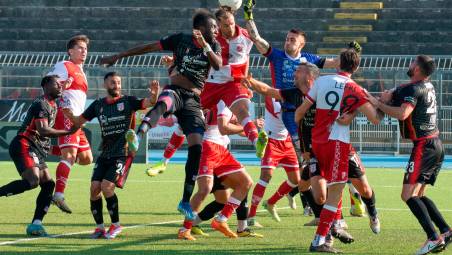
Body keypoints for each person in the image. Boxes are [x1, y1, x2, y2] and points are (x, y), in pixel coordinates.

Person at [100, 9, 222, 220]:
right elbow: (148, 47)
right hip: (175, 91)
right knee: (162, 103)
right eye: (213, 27)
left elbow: (218, 64)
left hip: (193, 100)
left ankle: (185, 200)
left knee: (196, 146)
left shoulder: (214, 46)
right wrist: (119, 56)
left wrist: (206, 46)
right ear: (200, 28)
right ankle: (137, 137)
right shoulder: (181, 40)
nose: (217, 30)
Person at [242, 0, 361, 207]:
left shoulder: (308, 59)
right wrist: (248, 15)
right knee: (303, 153)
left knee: (312, 153)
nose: (288, 42)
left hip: (307, 106)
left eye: (292, 40)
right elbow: (256, 38)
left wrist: (350, 52)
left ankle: (311, 194)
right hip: (284, 106)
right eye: (287, 38)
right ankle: (262, 140)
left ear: (301, 44)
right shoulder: (277, 56)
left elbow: (335, 63)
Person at [296, 48, 383, 253]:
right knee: (335, 193)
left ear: (338, 63)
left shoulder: (320, 81)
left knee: (329, 192)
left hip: (317, 143)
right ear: (357, 67)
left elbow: (299, 113)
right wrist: (375, 101)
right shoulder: (354, 88)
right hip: (337, 143)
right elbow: (375, 118)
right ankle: (320, 241)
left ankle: (326, 237)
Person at [367, 55, 451, 255]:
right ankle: (446, 230)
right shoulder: (426, 86)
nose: (409, 64)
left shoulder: (412, 89)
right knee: (419, 195)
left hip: (424, 145)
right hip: (436, 144)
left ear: (418, 69)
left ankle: (433, 237)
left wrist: (378, 104)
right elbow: (398, 92)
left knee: (407, 195)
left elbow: (403, 113)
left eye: (412, 63)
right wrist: (389, 94)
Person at [63, 72, 159, 239]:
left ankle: (115, 225)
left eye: (119, 83)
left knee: (107, 187)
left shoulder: (128, 101)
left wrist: (154, 95)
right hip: (105, 153)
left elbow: (150, 102)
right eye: (113, 83)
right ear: (105, 85)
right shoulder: (98, 105)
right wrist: (70, 115)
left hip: (123, 153)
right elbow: (79, 121)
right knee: (94, 189)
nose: (117, 86)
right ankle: (100, 228)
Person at [0, 75, 79, 236]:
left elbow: (44, 136)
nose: (60, 87)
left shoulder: (53, 105)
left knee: (48, 185)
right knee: (33, 181)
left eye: (61, 84)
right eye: (57, 84)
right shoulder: (41, 103)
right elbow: (43, 130)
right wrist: (69, 131)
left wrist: (57, 150)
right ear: (46, 85)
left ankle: (36, 224)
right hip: (24, 144)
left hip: (36, 149)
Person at [178, 100, 261, 240]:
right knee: (205, 190)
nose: (249, 95)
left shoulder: (224, 103)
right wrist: (249, 125)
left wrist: (248, 127)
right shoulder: (223, 101)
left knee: (244, 183)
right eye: (246, 91)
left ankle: (221, 220)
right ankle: (185, 228)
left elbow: (230, 127)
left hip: (221, 150)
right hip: (208, 148)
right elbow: (224, 128)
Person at [200, 7, 268, 158]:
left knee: (242, 111)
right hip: (212, 83)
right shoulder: (211, 37)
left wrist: (244, 78)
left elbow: (246, 56)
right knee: (188, 109)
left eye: (231, 23)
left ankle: (256, 141)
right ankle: (164, 159)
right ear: (217, 25)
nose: (230, 27)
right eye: (225, 25)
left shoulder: (245, 36)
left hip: (233, 83)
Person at [47, 34, 93, 214]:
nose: (84, 51)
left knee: (86, 159)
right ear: (70, 51)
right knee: (70, 156)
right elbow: (49, 84)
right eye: (80, 48)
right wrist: (60, 87)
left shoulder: (81, 71)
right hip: (67, 115)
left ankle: (46, 149)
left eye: (86, 49)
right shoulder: (64, 65)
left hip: (78, 120)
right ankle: (58, 194)